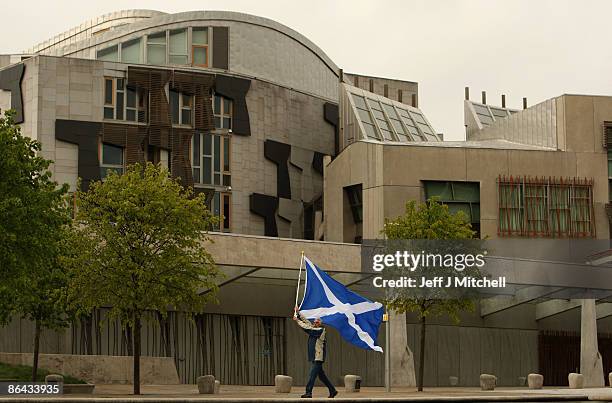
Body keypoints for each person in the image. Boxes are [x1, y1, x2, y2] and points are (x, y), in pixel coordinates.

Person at [293, 306, 338, 399]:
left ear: (321, 323)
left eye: (318, 321)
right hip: (314, 356)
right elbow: (306, 322)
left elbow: (307, 328)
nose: (316, 322)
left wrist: (297, 320)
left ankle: (308, 392)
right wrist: (298, 313)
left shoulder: (320, 330)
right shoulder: (314, 327)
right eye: (315, 321)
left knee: (312, 375)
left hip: (318, 357)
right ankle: (333, 390)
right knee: (322, 376)